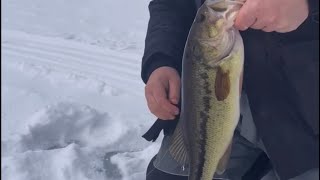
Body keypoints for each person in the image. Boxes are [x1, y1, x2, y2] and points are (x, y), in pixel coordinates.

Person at [140, 0, 319, 179]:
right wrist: (161, 60)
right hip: (211, 109)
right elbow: (173, 5)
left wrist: (308, 6)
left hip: (305, 115)